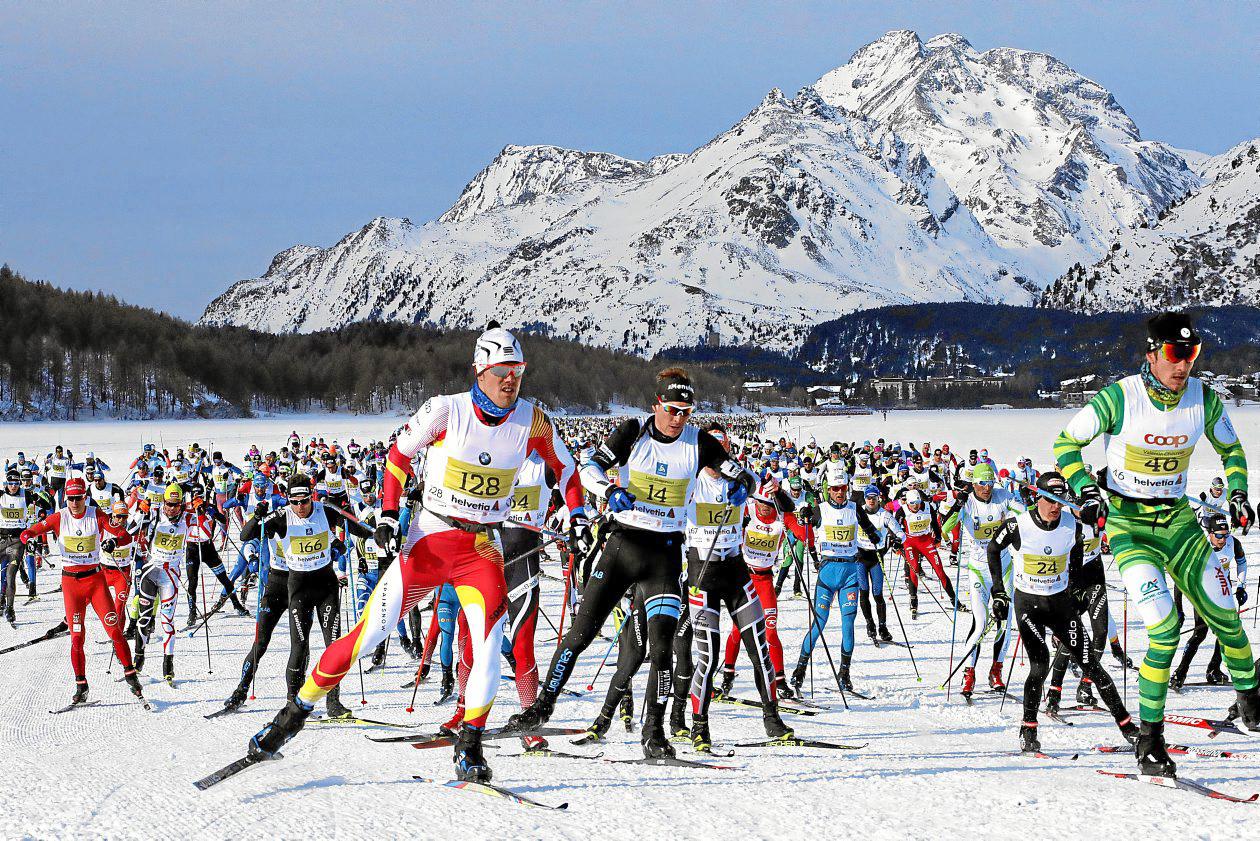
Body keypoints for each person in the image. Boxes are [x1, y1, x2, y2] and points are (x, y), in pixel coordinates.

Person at [247, 323, 587, 784]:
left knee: (487, 649)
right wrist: (388, 515)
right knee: (369, 634)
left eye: (519, 371)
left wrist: (579, 513)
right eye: (503, 370)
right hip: (429, 538)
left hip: (481, 548)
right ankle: (292, 715)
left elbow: (566, 469)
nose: (512, 380)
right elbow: (397, 457)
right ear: (480, 370)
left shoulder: (533, 419)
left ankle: (470, 744)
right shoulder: (447, 411)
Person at [506, 367, 755, 759]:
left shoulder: (700, 443)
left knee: (661, 649)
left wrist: (743, 485)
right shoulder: (632, 432)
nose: (679, 419)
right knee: (580, 634)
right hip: (623, 546)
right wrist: (608, 489)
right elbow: (585, 466)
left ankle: (654, 731)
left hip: (665, 556)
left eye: (686, 412)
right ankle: (541, 707)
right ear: (657, 404)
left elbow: (743, 474)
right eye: (672, 409)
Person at [1054, 312, 1259, 777]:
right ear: (1152, 353)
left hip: (1179, 523)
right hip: (1130, 527)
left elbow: (1232, 450)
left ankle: (1251, 704)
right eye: (1174, 353)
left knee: (1225, 614)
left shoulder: (1203, 399)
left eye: (1192, 353)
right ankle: (1149, 741)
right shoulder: (1120, 397)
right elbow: (1066, 443)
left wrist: (1240, 492)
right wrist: (1086, 488)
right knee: (1164, 628)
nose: (1183, 364)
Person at [987, 472, 1138, 753]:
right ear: (1037, 498)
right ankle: (1028, 727)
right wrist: (998, 590)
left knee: (1091, 663)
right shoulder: (1018, 525)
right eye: (1051, 501)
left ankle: (1127, 726)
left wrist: (1075, 592)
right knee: (1040, 664)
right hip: (1029, 604)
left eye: (1060, 501)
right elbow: (994, 549)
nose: (1056, 507)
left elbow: (1078, 560)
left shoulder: (1072, 525)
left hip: (1059, 604)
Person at [239, 474, 373, 716]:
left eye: (304, 501)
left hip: (326, 586)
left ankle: (333, 702)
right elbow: (245, 536)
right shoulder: (282, 518)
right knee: (299, 647)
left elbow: (360, 530)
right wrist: (257, 517)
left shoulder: (325, 510)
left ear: (311, 496)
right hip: (298, 587)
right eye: (294, 501)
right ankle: (294, 702)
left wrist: (355, 518)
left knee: (335, 647)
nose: (300, 507)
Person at [19, 477, 145, 705]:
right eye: (70, 498)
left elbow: (124, 535)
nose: (74, 503)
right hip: (71, 585)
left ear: (85, 498)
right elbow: (28, 532)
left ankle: (131, 676)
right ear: (65, 498)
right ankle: (81, 686)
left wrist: (114, 543)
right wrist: (28, 540)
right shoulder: (59, 517)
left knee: (114, 629)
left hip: (96, 582)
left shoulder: (96, 515)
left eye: (78, 498)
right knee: (77, 637)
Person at [788, 470, 880, 695]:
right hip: (827, 573)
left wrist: (879, 537)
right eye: (835, 489)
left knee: (848, 625)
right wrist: (805, 514)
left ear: (847, 488)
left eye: (843, 488)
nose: (840, 493)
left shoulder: (854, 508)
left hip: (850, 573)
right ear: (829, 489)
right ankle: (800, 670)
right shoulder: (821, 509)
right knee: (819, 623)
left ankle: (844, 674)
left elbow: (869, 528)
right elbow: (804, 522)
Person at [940, 462, 1024, 697]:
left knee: (1005, 623)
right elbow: (945, 528)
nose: (986, 488)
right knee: (980, 623)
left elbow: (1024, 515)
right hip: (978, 569)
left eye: (990, 483)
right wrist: (957, 506)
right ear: (973, 484)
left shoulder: (1003, 496)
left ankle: (996, 671)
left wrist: (1023, 503)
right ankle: (969, 673)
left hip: (1004, 567)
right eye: (981, 484)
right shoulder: (967, 501)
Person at [1170, 513, 1247, 691]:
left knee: (1227, 632)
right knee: (1200, 633)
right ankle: (1180, 673)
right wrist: (1179, 609)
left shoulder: (1232, 543)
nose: (1222, 539)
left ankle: (1213, 669)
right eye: (1219, 535)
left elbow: (1241, 563)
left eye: (1225, 534)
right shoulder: (1198, 547)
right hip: (1201, 592)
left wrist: (1241, 586)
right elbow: (1179, 580)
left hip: (1223, 592)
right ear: (1210, 533)